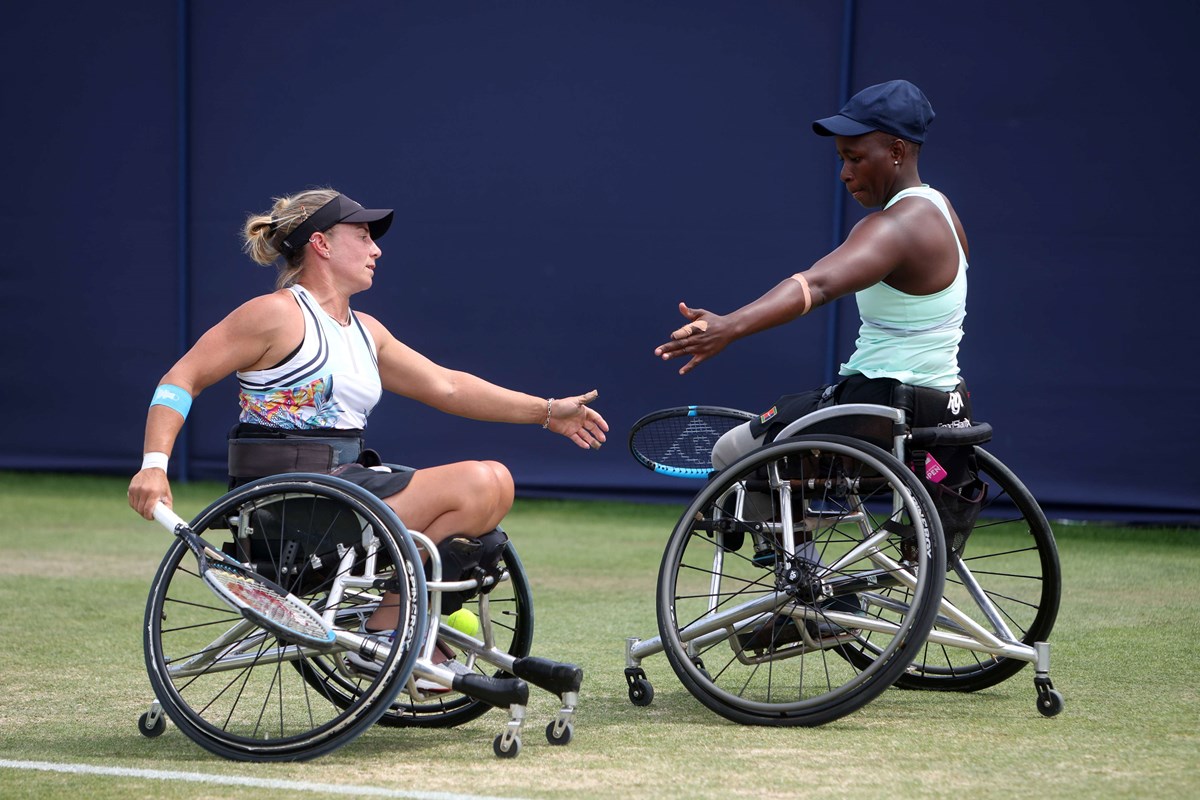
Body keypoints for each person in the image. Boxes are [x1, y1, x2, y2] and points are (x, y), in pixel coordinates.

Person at [128, 187, 609, 679]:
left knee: (492, 488)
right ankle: (390, 629)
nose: (376, 249)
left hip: (345, 487)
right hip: (291, 505)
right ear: (322, 244)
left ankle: (392, 620)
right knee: (484, 482)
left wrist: (548, 412)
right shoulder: (273, 314)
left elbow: (447, 386)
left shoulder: (366, 330)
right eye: (362, 236)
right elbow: (179, 380)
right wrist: (153, 466)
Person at [654, 79, 973, 469]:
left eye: (855, 158)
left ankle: (790, 533)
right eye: (842, 159)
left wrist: (730, 326)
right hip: (944, 402)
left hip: (882, 403)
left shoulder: (895, 226)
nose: (844, 173)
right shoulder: (942, 210)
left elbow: (816, 284)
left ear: (896, 151)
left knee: (728, 453)